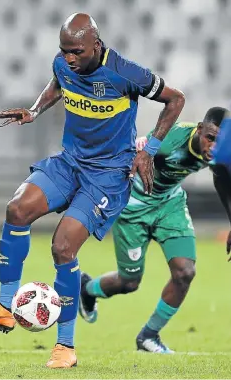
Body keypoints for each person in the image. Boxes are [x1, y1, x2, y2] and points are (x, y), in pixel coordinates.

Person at [0, 13, 185, 368]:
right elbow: (57, 82)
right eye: (63, 50)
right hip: (70, 163)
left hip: (108, 175)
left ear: (96, 44)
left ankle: (65, 347)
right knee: (16, 210)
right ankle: (5, 307)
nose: (68, 58)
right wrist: (34, 112)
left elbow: (176, 99)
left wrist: (149, 150)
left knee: (63, 247)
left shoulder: (126, 73)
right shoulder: (64, 63)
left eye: (76, 51)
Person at [79, 107, 231, 354]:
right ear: (200, 129)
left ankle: (148, 336)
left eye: (220, 141)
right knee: (129, 282)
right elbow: (126, 156)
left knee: (185, 272)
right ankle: (87, 288)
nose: (213, 146)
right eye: (210, 138)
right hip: (133, 210)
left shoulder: (220, 152)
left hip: (169, 206)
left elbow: (221, 176)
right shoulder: (169, 141)